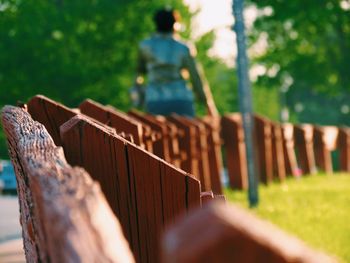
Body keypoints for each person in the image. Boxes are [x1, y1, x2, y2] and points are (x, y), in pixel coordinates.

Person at [131, 8, 218, 118]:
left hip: (155, 100)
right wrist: (207, 103)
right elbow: (196, 78)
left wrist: (137, 99)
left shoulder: (145, 46)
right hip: (181, 100)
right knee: (186, 132)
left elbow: (139, 74)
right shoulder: (184, 48)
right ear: (175, 24)